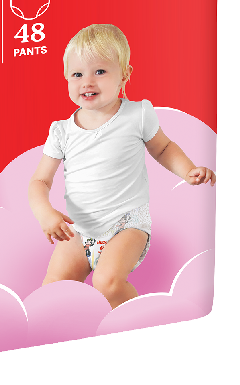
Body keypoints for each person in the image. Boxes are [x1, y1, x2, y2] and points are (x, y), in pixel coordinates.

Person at [28, 23, 215, 309]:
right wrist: (45, 214)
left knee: (107, 282)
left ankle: (145, 319)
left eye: (100, 71)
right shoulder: (61, 131)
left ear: (124, 75)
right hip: (78, 230)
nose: (87, 82)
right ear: (66, 78)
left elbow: (163, 147)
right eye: (77, 74)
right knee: (53, 290)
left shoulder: (136, 114)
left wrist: (187, 170)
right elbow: (39, 181)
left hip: (126, 225)